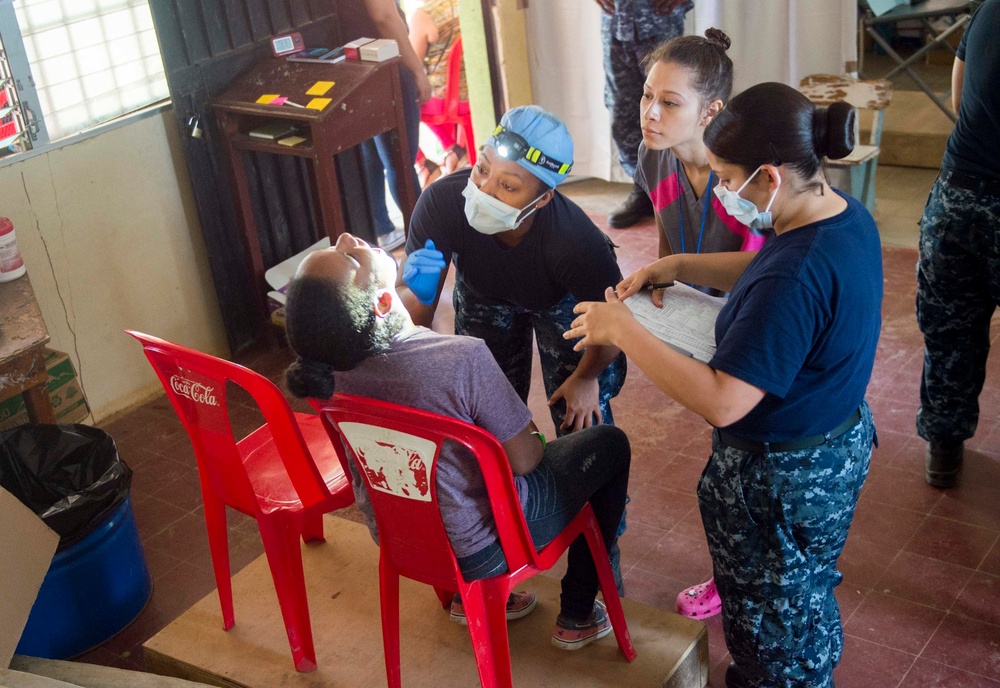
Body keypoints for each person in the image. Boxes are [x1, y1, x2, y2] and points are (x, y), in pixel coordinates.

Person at [565, 83, 881, 687]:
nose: (720, 192)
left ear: (767, 176)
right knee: (800, 588)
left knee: (772, 623)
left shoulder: (795, 275)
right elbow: (770, 264)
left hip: (780, 476)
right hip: (831, 445)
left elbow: (725, 399)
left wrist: (625, 332)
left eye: (726, 178)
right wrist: (683, 265)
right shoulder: (837, 214)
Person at [283, 232, 632, 650]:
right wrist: (533, 431)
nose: (346, 238)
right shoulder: (460, 358)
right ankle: (577, 612)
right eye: (350, 259)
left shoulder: (325, 377)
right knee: (610, 445)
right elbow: (526, 459)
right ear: (380, 304)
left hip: (401, 538)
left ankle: (474, 603)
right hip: (482, 548)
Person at [635, 27, 768, 621]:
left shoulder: (745, 173)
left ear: (711, 111)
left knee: (751, 468)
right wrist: (666, 282)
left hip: (760, 325)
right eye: (646, 96)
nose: (651, 113)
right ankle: (741, 572)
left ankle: (747, 580)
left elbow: (776, 270)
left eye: (669, 102)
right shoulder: (652, 156)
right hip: (707, 321)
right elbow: (669, 236)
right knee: (730, 468)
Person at [397, 105, 627, 438]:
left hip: (562, 301)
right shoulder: (441, 203)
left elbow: (614, 328)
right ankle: (511, 487)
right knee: (487, 409)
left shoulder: (574, 241)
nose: (484, 190)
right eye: (481, 169)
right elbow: (416, 326)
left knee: (577, 416)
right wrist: (419, 295)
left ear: (544, 197)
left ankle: (602, 488)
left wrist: (586, 378)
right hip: (484, 293)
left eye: (508, 187)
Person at [916, 0, 1000, 489]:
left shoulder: (987, 9)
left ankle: (943, 450)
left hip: (957, 199)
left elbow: (959, 98)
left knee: (950, 334)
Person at [594, 0, 694, 229]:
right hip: (616, 22)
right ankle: (643, 191)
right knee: (623, 111)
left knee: (671, 107)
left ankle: (679, 195)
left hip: (659, 20)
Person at [355, 0, 431, 250]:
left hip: (354, 63)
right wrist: (417, 70)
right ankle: (428, 236)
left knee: (372, 156)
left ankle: (382, 229)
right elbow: (383, 16)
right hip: (385, 63)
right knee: (400, 161)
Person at [408, 0, 469, 185]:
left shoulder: (423, 16)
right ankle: (456, 152)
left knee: (395, 109)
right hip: (469, 94)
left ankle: (423, 164)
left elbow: (412, 65)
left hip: (446, 101)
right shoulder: (466, 5)